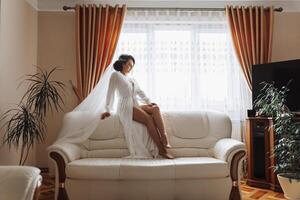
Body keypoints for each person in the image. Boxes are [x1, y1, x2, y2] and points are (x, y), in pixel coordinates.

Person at [101, 54, 173, 159]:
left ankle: (164, 137)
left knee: (155, 108)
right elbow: (110, 93)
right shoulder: (115, 75)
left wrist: (148, 102)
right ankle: (162, 150)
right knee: (149, 119)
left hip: (135, 103)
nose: (131, 67)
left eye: (132, 66)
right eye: (129, 64)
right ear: (123, 63)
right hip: (125, 106)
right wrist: (107, 109)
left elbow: (140, 92)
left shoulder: (131, 78)